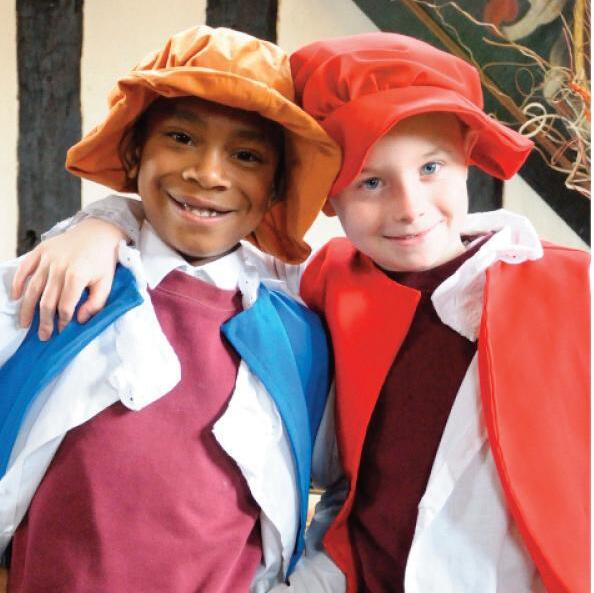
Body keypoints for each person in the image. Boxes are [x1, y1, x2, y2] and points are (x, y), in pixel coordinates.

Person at [9, 33, 589, 593]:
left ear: (467, 157)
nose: (409, 208)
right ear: (328, 195)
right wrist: (102, 221)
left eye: (431, 168)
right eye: (370, 181)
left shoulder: (571, 287)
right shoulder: (324, 283)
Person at [0, 25, 343, 593]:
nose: (208, 173)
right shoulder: (56, 282)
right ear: (135, 150)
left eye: (246, 155)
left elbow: (344, 485)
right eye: (181, 137)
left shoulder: (299, 337)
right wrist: (102, 220)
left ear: (277, 186)